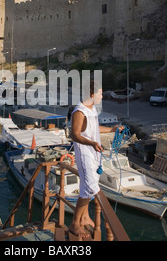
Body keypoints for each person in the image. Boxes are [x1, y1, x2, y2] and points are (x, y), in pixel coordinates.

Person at [68, 80, 123, 238]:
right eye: (100, 93)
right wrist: (92, 143)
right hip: (85, 155)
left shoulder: (92, 110)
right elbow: (75, 134)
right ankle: (75, 224)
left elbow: (94, 128)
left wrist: (111, 129)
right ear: (92, 95)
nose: (102, 96)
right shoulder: (80, 111)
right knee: (91, 187)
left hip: (94, 155)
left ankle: (84, 216)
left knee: (88, 188)